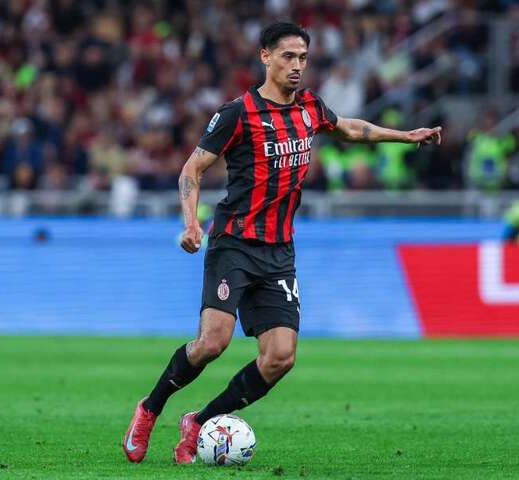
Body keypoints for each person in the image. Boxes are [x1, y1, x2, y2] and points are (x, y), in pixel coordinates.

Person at [122, 21, 442, 465]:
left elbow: (349, 128)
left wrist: (405, 136)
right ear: (266, 56)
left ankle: (199, 422)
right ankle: (150, 408)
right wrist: (191, 223)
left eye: (303, 58)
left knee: (280, 357)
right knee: (212, 343)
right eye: (288, 56)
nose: (297, 65)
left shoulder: (310, 107)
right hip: (234, 244)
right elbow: (191, 169)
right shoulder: (238, 113)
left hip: (278, 252)